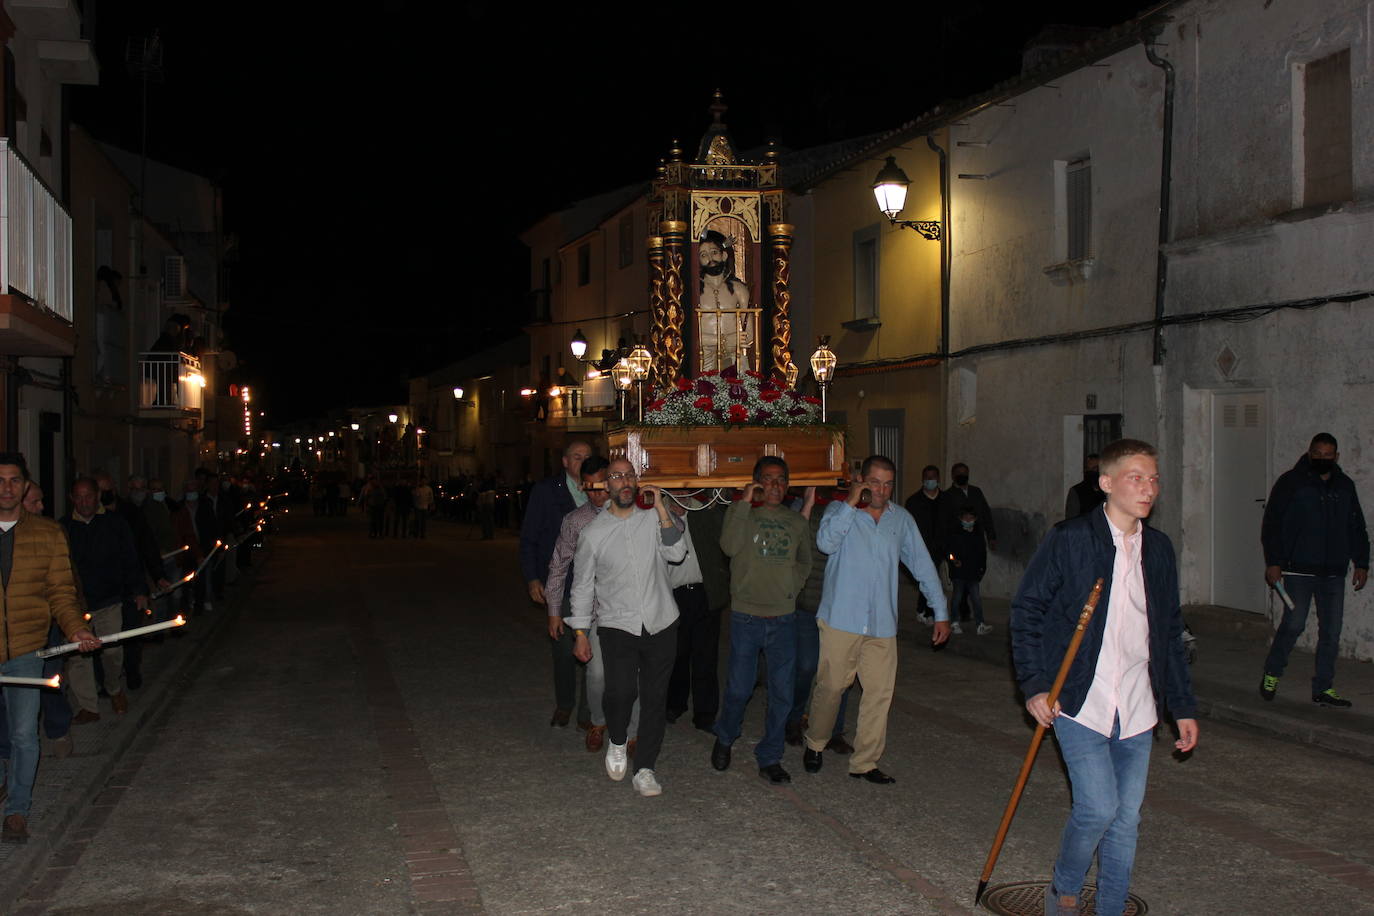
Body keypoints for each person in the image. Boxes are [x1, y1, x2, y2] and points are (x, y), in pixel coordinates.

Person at [1010, 438, 1198, 916]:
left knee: (1126, 820)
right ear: (1107, 483)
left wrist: (1182, 707)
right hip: (1078, 698)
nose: (1149, 488)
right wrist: (1034, 684)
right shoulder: (1071, 538)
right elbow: (1028, 608)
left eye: (1154, 479)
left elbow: (1170, 631)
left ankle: (1111, 907)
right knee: (1097, 808)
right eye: (1137, 477)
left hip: (1137, 706)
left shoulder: (1157, 549)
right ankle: (1064, 891)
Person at [803, 455, 948, 783]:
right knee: (831, 687)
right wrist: (850, 503)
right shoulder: (841, 513)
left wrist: (941, 612)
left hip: (882, 623)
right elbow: (825, 543)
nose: (881, 490)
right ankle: (815, 742)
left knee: (879, 693)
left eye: (887, 483)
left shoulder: (902, 520)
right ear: (862, 481)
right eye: (875, 482)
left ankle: (865, 762)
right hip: (842, 618)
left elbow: (923, 566)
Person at [568, 459, 683, 797]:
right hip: (617, 624)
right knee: (619, 692)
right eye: (616, 477)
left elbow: (677, 553)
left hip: (661, 621)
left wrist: (661, 506)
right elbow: (582, 586)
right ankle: (617, 739)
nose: (624, 482)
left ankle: (645, 768)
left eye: (629, 475)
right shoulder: (593, 534)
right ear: (605, 486)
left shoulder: (654, 518)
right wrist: (579, 632)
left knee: (654, 698)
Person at [0, 455, 99, 842]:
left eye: (13, 481)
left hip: (26, 650)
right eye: (0, 480)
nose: (6, 487)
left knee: (25, 734)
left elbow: (60, 590)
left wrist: (75, 629)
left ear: (25, 487)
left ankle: (16, 812)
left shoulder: (46, 534)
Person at [713, 458, 812, 784]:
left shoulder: (795, 521)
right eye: (767, 480)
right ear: (757, 483)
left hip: (783, 619)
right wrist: (743, 501)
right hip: (746, 618)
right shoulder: (744, 515)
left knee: (781, 693)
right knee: (740, 688)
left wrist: (790, 589)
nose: (775, 486)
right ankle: (726, 737)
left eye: (781, 480)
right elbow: (728, 547)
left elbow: (804, 561)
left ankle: (770, 756)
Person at [1260, 433, 1369, 707]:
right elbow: (1272, 523)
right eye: (1317, 454)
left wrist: (1362, 562)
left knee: (1331, 632)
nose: (1322, 459)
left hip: (1333, 571)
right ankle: (1272, 672)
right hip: (1298, 570)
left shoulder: (1344, 486)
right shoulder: (1291, 482)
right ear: (1309, 453)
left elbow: (1356, 526)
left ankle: (1323, 688)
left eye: (1328, 455)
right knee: (1294, 624)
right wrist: (1274, 562)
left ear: (1336, 457)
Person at [544, 457, 635, 754]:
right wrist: (555, 611)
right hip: (593, 611)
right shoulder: (576, 521)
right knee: (596, 674)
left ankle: (632, 731)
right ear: (584, 486)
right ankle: (598, 721)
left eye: (602, 485)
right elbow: (559, 566)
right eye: (592, 487)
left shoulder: (630, 514)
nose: (598, 493)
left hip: (626, 607)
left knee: (630, 673)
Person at [519, 440, 594, 728]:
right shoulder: (546, 491)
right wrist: (532, 577)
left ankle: (588, 712)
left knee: (593, 649)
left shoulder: (599, 490)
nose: (582, 461)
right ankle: (565, 703)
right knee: (564, 649)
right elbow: (529, 538)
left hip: (594, 583)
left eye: (587, 457)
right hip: (561, 582)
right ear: (565, 461)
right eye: (577, 457)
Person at [61, 478, 148, 722]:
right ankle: (88, 706)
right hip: (76, 603)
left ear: (98, 496)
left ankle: (113, 688)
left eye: (88, 496)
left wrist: (139, 590)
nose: (84, 502)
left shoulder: (114, 523)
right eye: (78, 497)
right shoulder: (63, 527)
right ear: (71, 499)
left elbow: (130, 557)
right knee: (78, 656)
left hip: (109, 598)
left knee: (111, 651)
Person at [786, 487, 851, 753]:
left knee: (840, 673)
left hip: (838, 605)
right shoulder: (800, 505)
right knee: (805, 667)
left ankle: (833, 729)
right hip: (807, 603)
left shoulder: (846, 507)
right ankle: (793, 719)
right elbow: (791, 542)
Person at [665, 495, 727, 733]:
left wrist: (712, 508)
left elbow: (723, 541)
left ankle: (705, 713)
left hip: (705, 592)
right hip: (673, 595)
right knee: (676, 653)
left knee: (706, 656)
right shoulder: (658, 513)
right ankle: (674, 703)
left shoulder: (704, 511)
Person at [943, 462, 997, 622]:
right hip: (958, 543)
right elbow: (944, 521)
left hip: (975, 541)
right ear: (953, 475)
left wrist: (991, 536)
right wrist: (948, 550)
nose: (962, 476)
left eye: (965, 473)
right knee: (959, 581)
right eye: (959, 473)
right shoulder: (948, 496)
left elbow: (986, 514)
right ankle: (957, 615)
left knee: (973, 576)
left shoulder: (976, 492)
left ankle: (967, 612)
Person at [696, 229, 753, 372]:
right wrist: (725, 341)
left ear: (724, 255)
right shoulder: (694, 292)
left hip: (734, 357)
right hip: (703, 358)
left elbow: (750, 334)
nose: (710, 259)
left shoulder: (739, 290)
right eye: (704, 255)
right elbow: (690, 337)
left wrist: (735, 342)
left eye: (714, 252)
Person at [904, 465, 947, 626]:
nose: (931, 481)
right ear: (923, 480)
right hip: (920, 548)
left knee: (931, 578)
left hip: (939, 548)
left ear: (938, 479)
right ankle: (927, 611)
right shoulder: (914, 502)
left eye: (933, 477)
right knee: (929, 578)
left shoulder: (945, 500)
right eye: (928, 478)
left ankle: (925, 610)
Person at [948, 509, 991, 636]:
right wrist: (954, 560)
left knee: (976, 598)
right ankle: (954, 623)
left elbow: (983, 553)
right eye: (965, 518)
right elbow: (949, 552)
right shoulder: (955, 533)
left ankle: (980, 625)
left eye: (970, 518)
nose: (968, 520)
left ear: (975, 519)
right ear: (961, 519)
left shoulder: (978, 534)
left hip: (973, 573)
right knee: (957, 598)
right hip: (959, 573)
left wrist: (982, 569)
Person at [1065, 453, 1106, 519]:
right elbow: (1071, 519)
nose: (1091, 472)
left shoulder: (1108, 490)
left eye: (1095, 468)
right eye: (1088, 469)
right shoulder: (1077, 491)